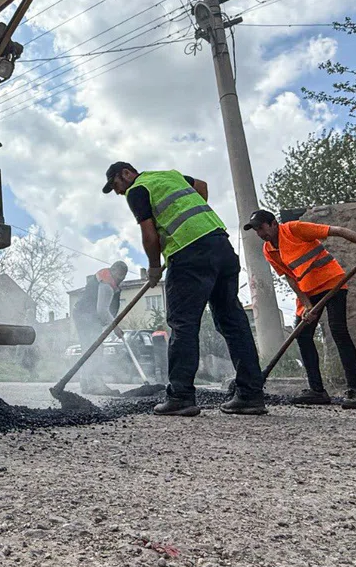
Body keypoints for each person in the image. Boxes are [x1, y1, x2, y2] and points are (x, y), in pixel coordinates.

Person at [103, 161, 266, 416]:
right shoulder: (169, 175)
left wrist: (154, 266)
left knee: (183, 324)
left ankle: (180, 396)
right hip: (220, 246)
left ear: (127, 173)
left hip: (188, 253)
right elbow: (202, 186)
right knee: (233, 321)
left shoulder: (138, 189)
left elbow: (149, 234)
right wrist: (194, 220)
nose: (118, 192)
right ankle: (251, 394)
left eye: (116, 185)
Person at [243, 209, 356, 410]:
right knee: (303, 336)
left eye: (261, 228)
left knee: (338, 331)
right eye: (255, 230)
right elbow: (289, 276)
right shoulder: (268, 250)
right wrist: (306, 304)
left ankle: (355, 390)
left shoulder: (295, 229)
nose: (259, 233)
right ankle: (317, 390)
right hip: (308, 290)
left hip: (332, 282)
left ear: (273, 224)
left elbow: (338, 230)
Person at [71, 261, 128, 396]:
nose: (121, 279)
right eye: (120, 276)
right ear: (113, 270)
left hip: (82, 314)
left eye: (123, 277)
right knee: (95, 350)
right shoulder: (106, 285)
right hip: (86, 317)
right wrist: (115, 328)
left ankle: (86, 384)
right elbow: (102, 310)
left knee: (88, 349)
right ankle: (95, 385)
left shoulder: (105, 278)